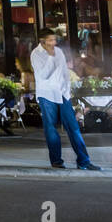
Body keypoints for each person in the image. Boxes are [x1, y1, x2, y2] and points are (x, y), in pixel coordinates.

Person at [30, 29, 100, 171]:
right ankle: (56, 161)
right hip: (47, 95)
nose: (54, 42)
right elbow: (44, 75)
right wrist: (50, 57)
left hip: (62, 94)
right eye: (51, 40)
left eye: (55, 39)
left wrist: (66, 90)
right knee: (51, 129)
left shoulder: (59, 52)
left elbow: (64, 72)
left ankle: (84, 161)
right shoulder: (36, 54)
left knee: (73, 127)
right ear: (42, 41)